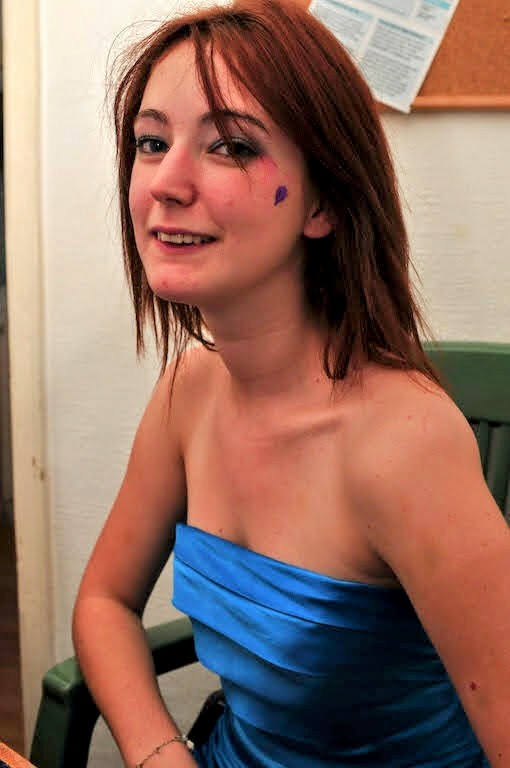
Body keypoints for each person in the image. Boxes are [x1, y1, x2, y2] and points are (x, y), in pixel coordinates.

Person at [72, 1, 510, 766]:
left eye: (231, 146)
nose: (165, 183)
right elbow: (104, 604)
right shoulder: (188, 391)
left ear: (325, 202)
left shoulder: (403, 443)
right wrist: (157, 752)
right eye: (150, 141)